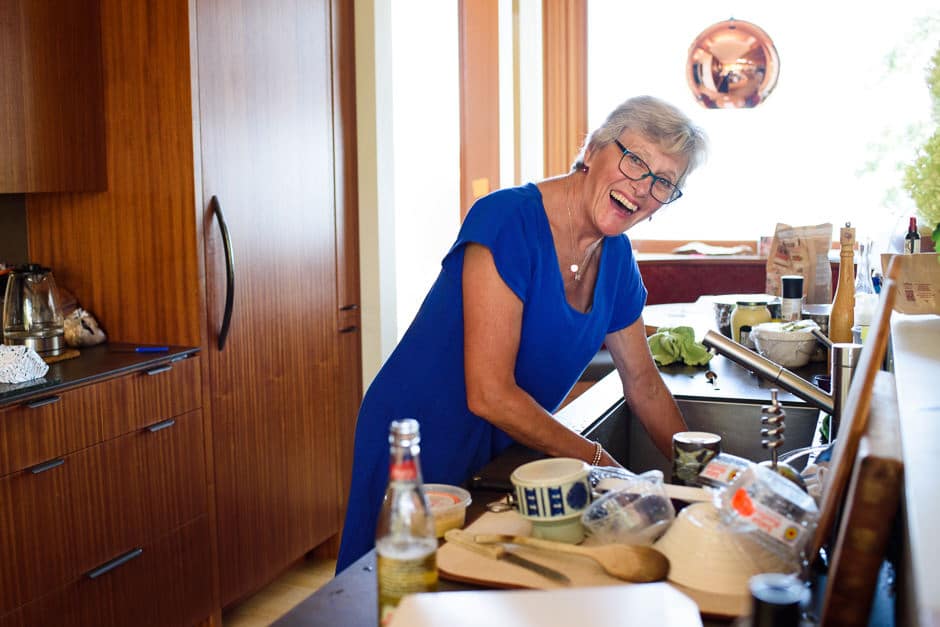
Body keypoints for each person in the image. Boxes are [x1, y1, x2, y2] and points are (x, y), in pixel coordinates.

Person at [336, 95, 708, 572]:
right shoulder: (507, 218)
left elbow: (644, 384)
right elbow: (489, 393)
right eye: (635, 161)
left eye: (663, 183)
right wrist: (604, 466)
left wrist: (704, 477)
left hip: (508, 450)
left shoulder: (616, 258)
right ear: (594, 149)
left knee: (473, 591)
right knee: (392, 595)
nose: (642, 188)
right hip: (421, 444)